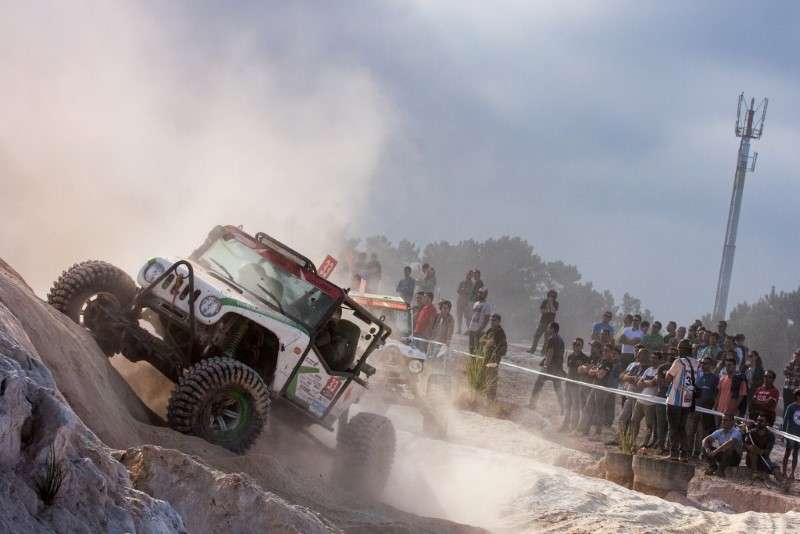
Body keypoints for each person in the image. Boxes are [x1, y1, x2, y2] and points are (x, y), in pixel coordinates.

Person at [664, 339, 699, 461]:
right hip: (687, 401)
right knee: (682, 428)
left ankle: (673, 453)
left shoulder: (678, 362)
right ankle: (683, 454)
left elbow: (668, 378)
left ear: (681, 350)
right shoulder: (696, 363)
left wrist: (666, 372)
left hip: (674, 400)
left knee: (673, 427)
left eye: (679, 350)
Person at [577, 344, 615, 438]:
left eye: (607, 350)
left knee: (599, 411)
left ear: (611, 352)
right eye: (604, 350)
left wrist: (595, 371)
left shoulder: (609, 362)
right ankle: (585, 430)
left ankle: (598, 433)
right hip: (595, 385)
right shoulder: (601, 361)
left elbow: (600, 375)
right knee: (588, 407)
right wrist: (596, 371)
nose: (604, 352)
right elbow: (591, 372)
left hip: (602, 388)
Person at [685, 356, 719, 457]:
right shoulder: (696, 375)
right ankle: (687, 452)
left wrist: (714, 407)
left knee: (701, 433)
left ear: (711, 365)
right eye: (703, 363)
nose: (704, 365)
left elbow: (717, 394)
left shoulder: (715, 378)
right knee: (690, 431)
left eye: (706, 363)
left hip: (706, 410)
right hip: (693, 408)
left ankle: (696, 453)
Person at [528, 322, 565, 411]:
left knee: (538, 384)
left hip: (550, 367)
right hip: (558, 367)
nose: (547, 329)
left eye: (549, 327)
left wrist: (545, 366)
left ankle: (532, 404)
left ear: (553, 329)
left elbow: (550, 353)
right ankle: (563, 408)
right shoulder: (561, 340)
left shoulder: (552, 339)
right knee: (558, 389)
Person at [630, 351, 659, 448]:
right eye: (652, 358)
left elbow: (653, 383)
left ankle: (644, 445)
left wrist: (645, 383)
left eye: (655, 358)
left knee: (649, 425)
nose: (653, 360)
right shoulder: (648, 370)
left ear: (659, 360)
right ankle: (632, 441)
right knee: (634, 420)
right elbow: (639, 383)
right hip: (641, 399)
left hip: (650, 402)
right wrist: (647, 382)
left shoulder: (659, 370)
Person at [618, 347, 648, 439]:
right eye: (637, 354)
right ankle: (621, 439)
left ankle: (631, 441)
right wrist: (631, 378)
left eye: (640, 354)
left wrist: (632, 379)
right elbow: (623, 376)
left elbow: (640, 383)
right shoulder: (635, 366)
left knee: (634, 421)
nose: (638, 356)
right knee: (622, 418)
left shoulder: (648, 368)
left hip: (639, 398)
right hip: (630, 396)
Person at [562, 338, 589, 431]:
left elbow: (586, 371)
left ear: (581, 346)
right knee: (567, 404)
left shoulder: (585, 358)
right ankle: (565, 424)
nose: (575, 346)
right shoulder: (570, 356)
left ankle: (573, 426)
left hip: (577, 384)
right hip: (568, 382)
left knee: (576, 406)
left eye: (578, 344)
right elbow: (568, 368)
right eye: (574, 344)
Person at [480, 314, 507, 401]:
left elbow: (504, 348)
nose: (492, 322)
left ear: (498, 322)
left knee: (491, 378)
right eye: (491, 320)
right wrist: (487, 342)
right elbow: (481, 340)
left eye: (494, 320)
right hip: (486, 357)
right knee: (484, 376)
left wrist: (497, 352)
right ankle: (485, 396)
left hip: (494, 360)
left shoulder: (501, 333)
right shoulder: (489, 330)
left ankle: (491, 398)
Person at [528, 290, 559, 354]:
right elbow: (542, 311)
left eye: (553, 296)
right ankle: (533, 349)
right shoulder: (545, 302)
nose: (551, 297)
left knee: (547, 338)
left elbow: (554, 311)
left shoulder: (556, 303)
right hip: (543, 321)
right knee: (537, 336)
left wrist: (550, 305)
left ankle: (543, 351)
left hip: (550, 323)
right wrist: (548, 308)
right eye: (550, 295)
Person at [782, 389, 800, 480]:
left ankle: (792, 473)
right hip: (790, 434)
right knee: (787, 453)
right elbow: (785, 421)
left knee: (796, 454)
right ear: (797, 396)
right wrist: (783, 433)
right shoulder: (791, 407)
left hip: (799, 436)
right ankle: (784, 471)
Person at [467, 287, 491, 354]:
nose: (479, 294)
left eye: (481, 293)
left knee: (479, 349)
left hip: (480, 330)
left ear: (485, 294)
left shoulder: (487, 305)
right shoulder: (476, 303)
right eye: (478, 292)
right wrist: (470, 328)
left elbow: (486, 319)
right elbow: (473, 316)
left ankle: (479, 364)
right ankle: (472, 363)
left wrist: (480, 329)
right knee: (471, 348)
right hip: (472, 328)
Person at [455, 270, 475, 335]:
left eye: (470, 275)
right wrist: (462, 290)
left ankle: (469, 330)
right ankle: (459, 329)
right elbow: (458, 290)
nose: (468, 276)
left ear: (471, 276)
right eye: (468, 274)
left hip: (467, 302)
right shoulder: (462, 282)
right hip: (460, 301)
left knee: (467, 317)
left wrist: (465, 291)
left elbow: (472, 293)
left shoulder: (472, 284)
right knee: (459, 316)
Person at [783, 349, 800, 414]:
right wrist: (794, 374)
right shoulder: (791, 363)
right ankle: (785, 422)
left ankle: (792, 423)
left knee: (794, 407)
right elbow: (785, 372)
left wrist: (791, 373)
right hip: (787, 388)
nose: (797, 356)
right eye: (796, 354)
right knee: (786, 406)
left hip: (796, 391)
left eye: (798, 355)